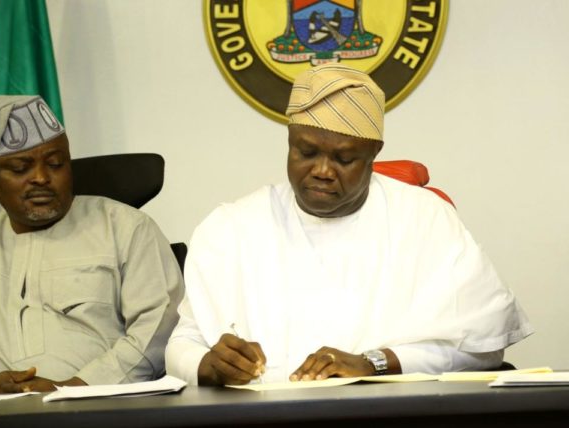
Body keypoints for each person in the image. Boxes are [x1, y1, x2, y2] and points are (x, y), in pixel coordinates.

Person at [165, 63, 533, 386]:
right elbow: (182, 345)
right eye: (306, 152)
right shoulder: (230, 228)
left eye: (344, 158)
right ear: (289, 143)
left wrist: (374, 363)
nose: (322, 171)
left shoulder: (425, 219)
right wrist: (208, 365)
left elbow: (482, 349)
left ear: (374, 154)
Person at [0, 95, 184, 395]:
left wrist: (74, 388)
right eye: (21, 168)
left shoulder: (126, 228)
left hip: (102, 411)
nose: (42, 178)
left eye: (56, 163)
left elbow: (159, 329)